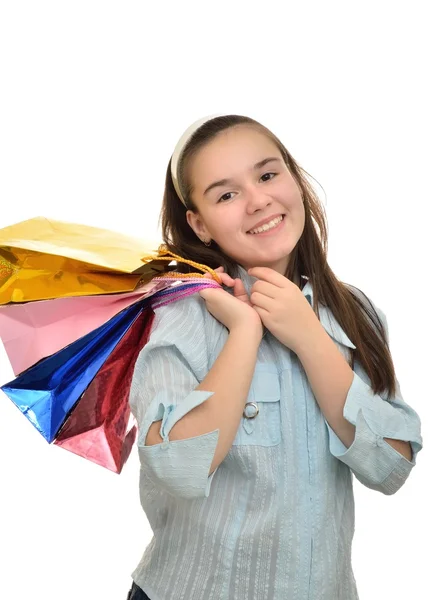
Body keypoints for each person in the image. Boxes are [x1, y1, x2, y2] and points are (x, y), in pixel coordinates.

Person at [126, 113, 423, 600]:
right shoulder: (177, 314)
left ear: (294, 178)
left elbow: (391, 468)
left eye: (267, 175)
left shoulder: (357, 314)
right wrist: (244, 331)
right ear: (198, 224)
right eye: (226, 194)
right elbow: (179, 467)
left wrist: (309, 338)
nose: (259, 200)